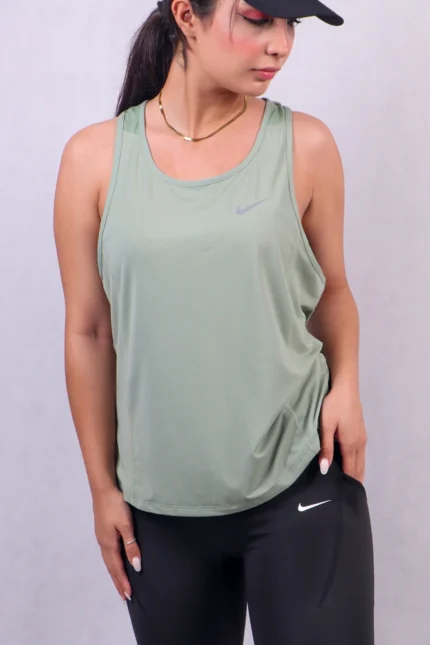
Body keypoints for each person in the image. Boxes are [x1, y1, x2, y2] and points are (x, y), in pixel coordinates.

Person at [54, 0, 374, 643]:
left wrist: (345, 386)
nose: (280, 44)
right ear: (186, 15)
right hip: (158, 511)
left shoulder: (305, 145)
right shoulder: (94, 160)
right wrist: (101, 488)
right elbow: (89, 333)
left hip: (302, 479)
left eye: (291, 24)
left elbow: (332, 291)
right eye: (258, 18)